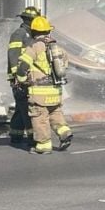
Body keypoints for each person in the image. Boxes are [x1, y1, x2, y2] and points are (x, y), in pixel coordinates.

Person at [14, 16, 73, 154]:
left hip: (39, 93)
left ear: (33, 32)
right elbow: (64, 66)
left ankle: (43, 145)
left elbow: (22, 67)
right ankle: (64, 132)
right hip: (55, 91)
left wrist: (21, 80)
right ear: (48, 31)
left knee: (39, 118)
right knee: (55, 113)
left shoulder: (34, 47)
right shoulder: (57, 48)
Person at [7, 6, 40, 143]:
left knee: (21, 107)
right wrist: (17, 76)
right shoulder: (19, 34)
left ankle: (16, 134)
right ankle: (33, 137)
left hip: (26, 77)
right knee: (26, 107)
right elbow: (13, 55)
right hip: (20, 78)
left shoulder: (30, 34)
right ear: (29, 20)